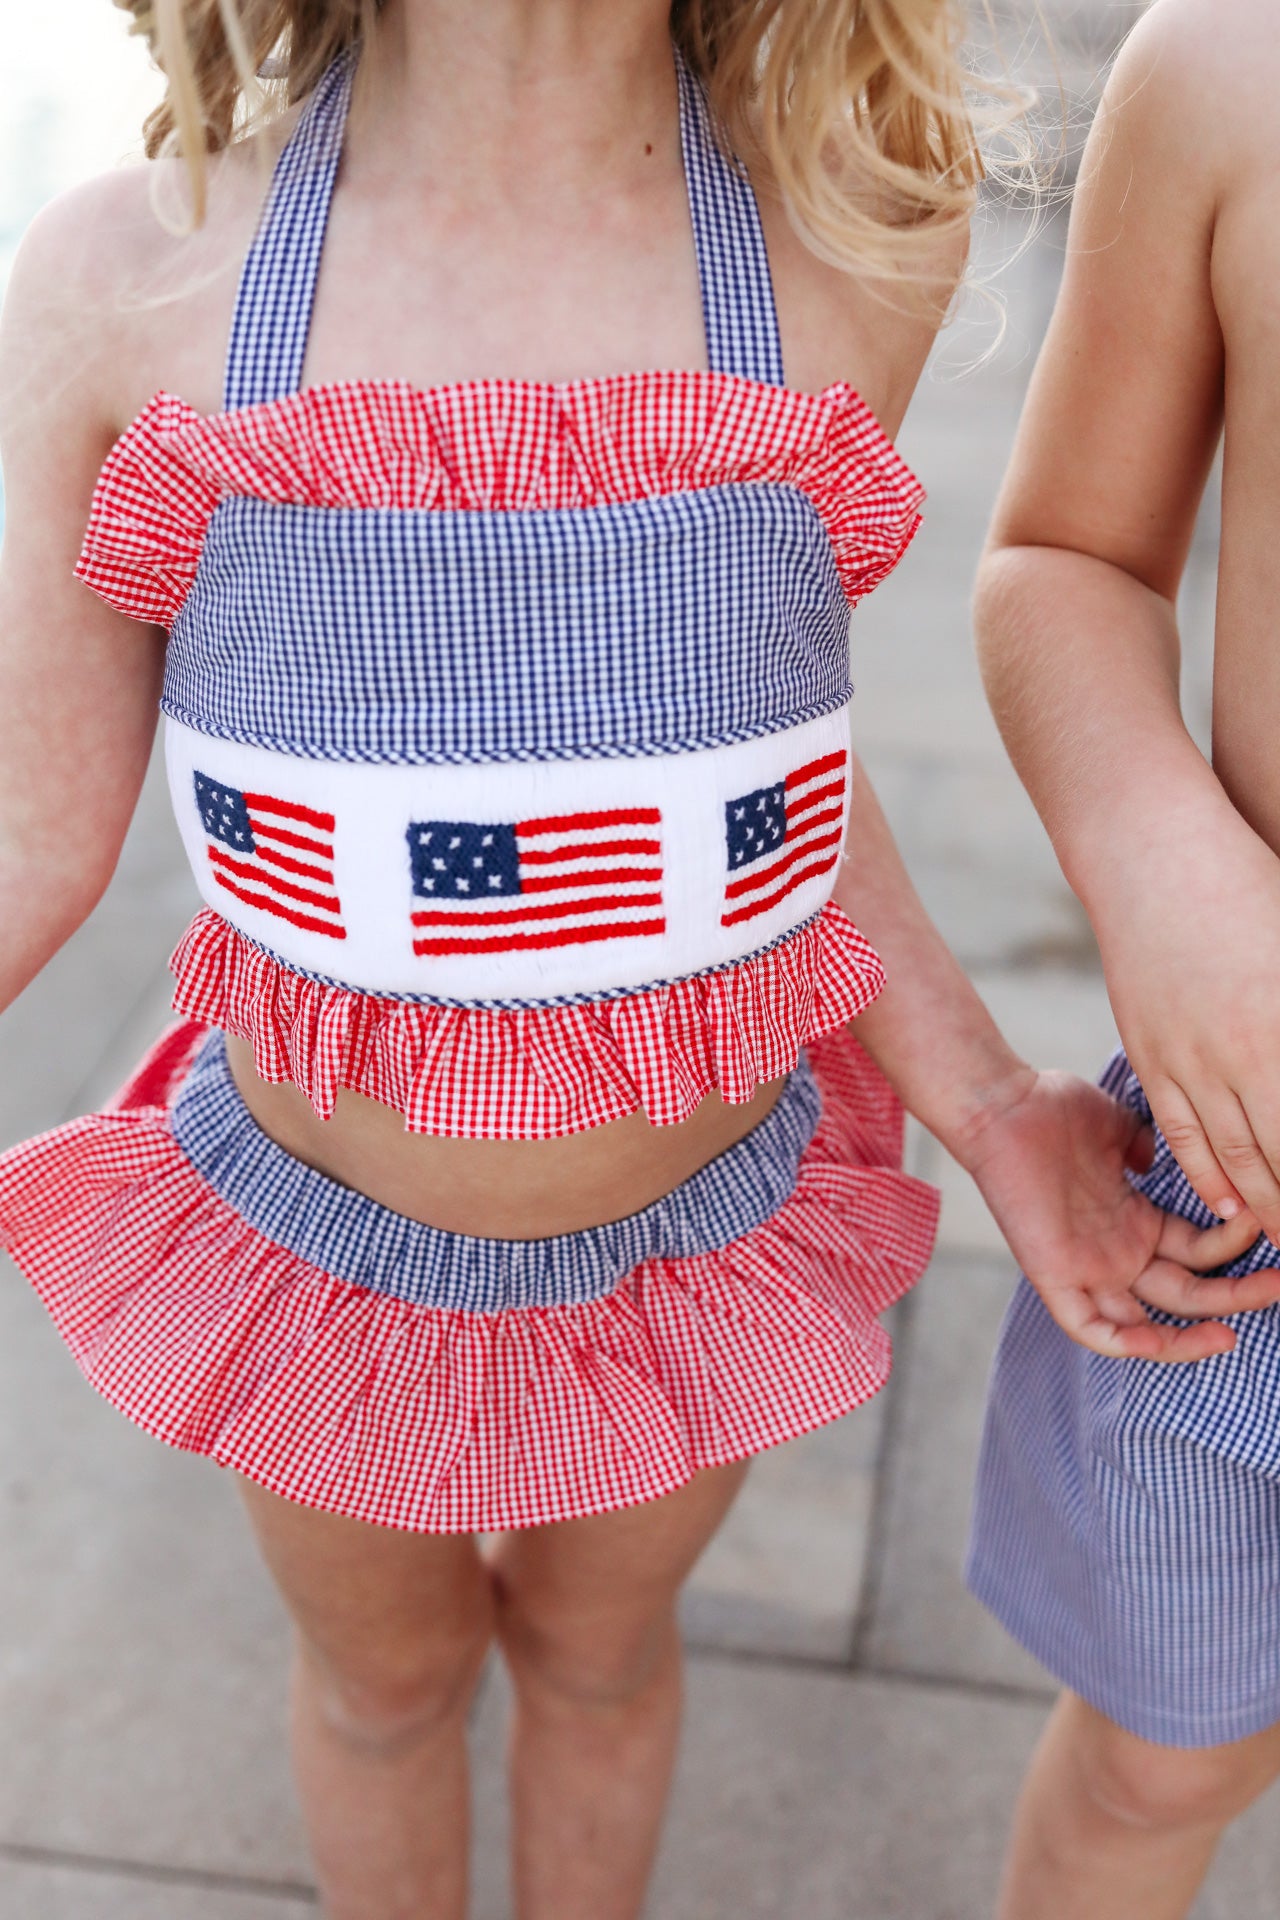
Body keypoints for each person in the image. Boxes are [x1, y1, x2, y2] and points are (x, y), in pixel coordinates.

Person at [0, 3, 1269, 1916]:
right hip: (313, 1271)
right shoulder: (133, 278)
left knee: (603, 1662)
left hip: (686, 1259)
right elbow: (31, 834)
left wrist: (996, 1102)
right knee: (382, 1681)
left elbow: (765, 794)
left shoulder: (853, 252)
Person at [965, 1, 1280, 1913]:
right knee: (1157, 1771)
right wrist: (1163, 858)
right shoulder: (1236, 71)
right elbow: (1068, 555)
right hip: (1243, 1214)